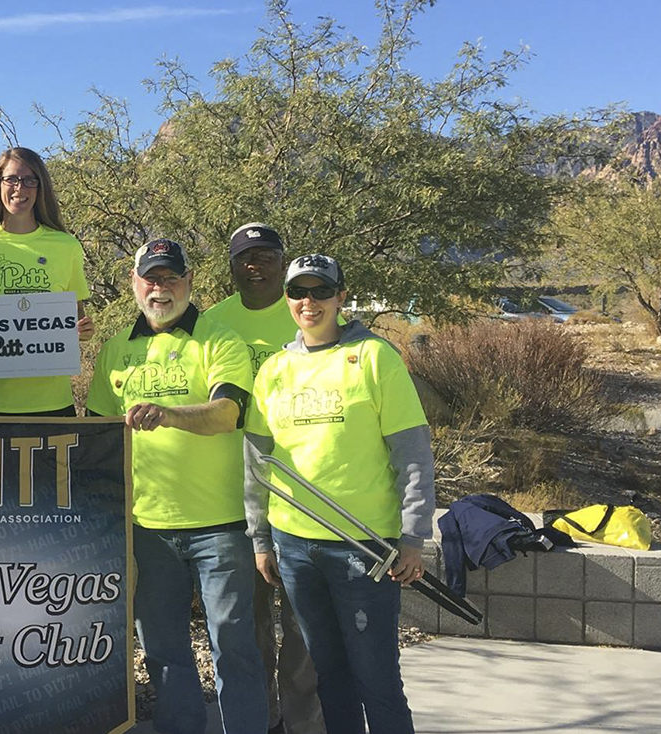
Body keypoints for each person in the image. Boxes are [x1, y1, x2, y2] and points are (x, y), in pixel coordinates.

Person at [243, 254, 435, 734]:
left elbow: (411, 454)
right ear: (287, 299)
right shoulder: (274, 370)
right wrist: (260, 538)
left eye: (321, 291)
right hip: (295, 547)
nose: (309, 302)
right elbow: (255, 463)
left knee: (377, 679)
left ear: (341, 297)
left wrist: (413, 536)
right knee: (329, 679)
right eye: (299, 292)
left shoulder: (374, 358)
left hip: (365, 549)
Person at [87, 238, 269, 734]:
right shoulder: (116, 351)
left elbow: (228, 413)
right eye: (150, 277)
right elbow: (99, 438)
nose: (159, 288)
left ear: (189, 281)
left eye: (170, 278)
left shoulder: (220, 340)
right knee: (163, 652)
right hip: (147, 527)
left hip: (221, 526)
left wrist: (167, 414)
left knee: (234, 648)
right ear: (134, 284)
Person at [205, 223, 325, 734]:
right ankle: (264, 719)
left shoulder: (306, 316)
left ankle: (302, 722)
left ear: (283, 261)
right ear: (231, 265)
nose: (255, 265)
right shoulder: (211, 322)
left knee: (303, 626)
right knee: (249, 626)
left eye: (266, 255)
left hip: (302, 493)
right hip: (235, 495)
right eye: (245, 257)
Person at [0, 146, 94, 416]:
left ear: (40, 187)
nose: (20, 188)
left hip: (51, 402)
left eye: (30, 180)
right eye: (12, 179)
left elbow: (76, 318)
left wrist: (84, 331)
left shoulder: (66, 246)